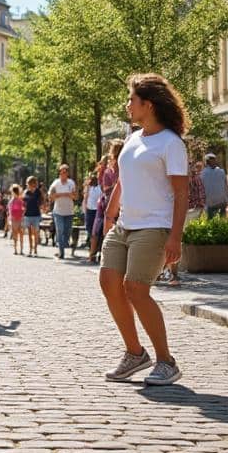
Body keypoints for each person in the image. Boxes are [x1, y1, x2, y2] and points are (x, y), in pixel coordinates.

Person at [99, 73, 189, 386]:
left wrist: (176, 236)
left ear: (147, 105)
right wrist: (111, 210)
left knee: (136, 289)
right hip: (125, 224)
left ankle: (166, 361)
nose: (127, 105)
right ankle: (135, 353)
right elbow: (125, 177)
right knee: (109, 281)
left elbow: (181, 193)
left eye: (131, 100)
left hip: (154, 226)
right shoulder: (134, 138)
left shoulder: (171, 143)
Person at [88, 142, 123, 264]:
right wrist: (116, 185)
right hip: (107, 203)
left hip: (121, 203)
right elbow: (105, 188)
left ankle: (112, 257)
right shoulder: (109, 170)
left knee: (115, 231)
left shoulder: (124, 167)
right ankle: (97, 255)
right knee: (99, 230)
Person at [49, 164, 77, 259]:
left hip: (69, 211)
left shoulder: (71, 183)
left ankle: (63, 245)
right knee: (59, 230)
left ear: (68, 173)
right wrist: (64, 194)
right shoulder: (55, 183)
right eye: (62, 172)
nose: (63, 173)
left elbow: (75, 196)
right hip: (58, 212)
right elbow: (51, 196)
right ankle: (61, 252)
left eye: (65, 172)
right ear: (59, 173)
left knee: (67, 232)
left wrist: (68, 195)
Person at [20, 176, 44, 257]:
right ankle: (30, 250)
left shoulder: (38, 192)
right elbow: (22, 202)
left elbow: (42, 201)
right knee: (30, 233)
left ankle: (35, 250)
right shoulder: (26, 192)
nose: (29, 185)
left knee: (35, 233)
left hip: (36, 214)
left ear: (34, 183)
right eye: (28, 184)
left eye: (30, 183)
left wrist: (42, 207)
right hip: (27, 215)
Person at [82, 173, 102, 258]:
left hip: (97, 211)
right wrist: (85, 210)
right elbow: (85, 199)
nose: (92, 180)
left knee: (96, 232)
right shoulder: (88, 188)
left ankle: (95, 251)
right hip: (89, 211)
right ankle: (92, 250)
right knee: (90, 231)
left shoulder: (100, 188)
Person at [7, 184, 26, 255]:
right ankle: (17, 249)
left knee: (19, 234)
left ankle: (19, 250)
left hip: (18, 218)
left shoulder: (18, 200)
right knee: (17, 234)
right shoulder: (15, 200)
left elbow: (23, 209)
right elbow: (10, 210)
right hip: (15, 218)